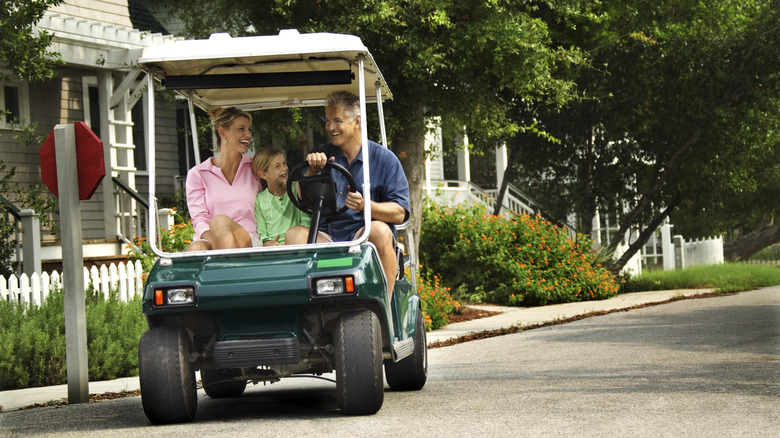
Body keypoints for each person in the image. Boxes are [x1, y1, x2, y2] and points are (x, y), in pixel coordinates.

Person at [286, 91, 410, 296]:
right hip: (328, 234)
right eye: (327, 121)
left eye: (337, 121)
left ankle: (385, 307)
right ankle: (306, 309)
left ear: (357, 121)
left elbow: (399, 213)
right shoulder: (321, 154)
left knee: (379, 231)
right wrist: (312, 172)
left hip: (362, 234)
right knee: (294, 234)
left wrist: (365, 206)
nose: (330, 127)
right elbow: (303, 200)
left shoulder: (384, 159)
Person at [184, 106, 261, 251]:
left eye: (249, 129)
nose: (248, 134)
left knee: (219, 221)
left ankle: (225, 268)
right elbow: (199, 219)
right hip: (212, 240)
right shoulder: (198, 173)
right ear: (222, 132)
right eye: (241, 129)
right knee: (196, 249)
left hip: (248, 240)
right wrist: (220, 242)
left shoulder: (255, 168)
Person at [252, 147, 329, 245]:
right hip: (274, 250)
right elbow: (262, 233)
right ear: (263, 175)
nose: (284, 169)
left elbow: (306, 222)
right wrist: (269, 243)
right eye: (277, 166)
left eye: (284, 163)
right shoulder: (260, 200)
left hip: (297, 243)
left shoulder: (296, 189)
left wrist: (288, 243)